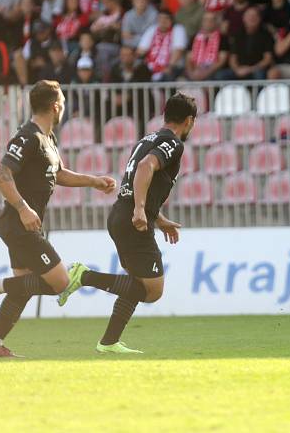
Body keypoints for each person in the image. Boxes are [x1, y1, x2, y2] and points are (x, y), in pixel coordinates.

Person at [0, 81, 116, 357]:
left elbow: (59, 173)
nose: (63, 106)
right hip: (19, 224)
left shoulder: (47, 139)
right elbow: (1, 175)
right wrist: (23, 208)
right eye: (62, 101)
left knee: (23, 288)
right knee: (60, 282)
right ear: (56, 106)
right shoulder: (27, 137)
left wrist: (93, 181)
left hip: (24, 224)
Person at [57, 93, 196, 354]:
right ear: (189, 120)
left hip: (122, 214)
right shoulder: (173, 144)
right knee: (152, 290)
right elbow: (145, 168)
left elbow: (138, 182)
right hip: (132, 218)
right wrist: (141, 210)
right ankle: (83, 276)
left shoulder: (146, 139)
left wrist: (159, 219)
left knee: (136, 284)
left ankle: (109, 342)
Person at [221, 6, 274, 80]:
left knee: (259, 75)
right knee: (221, 75)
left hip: (256, 69)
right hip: (239, 69)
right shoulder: (237, 35)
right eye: (249, 16)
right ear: (244, 18)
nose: (252, 18)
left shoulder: (266, 35)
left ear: (259, 19)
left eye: (254, 16)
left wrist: (250, 69)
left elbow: (267, 59)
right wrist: (237, 70)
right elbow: (233, 58)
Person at [136, 10, 188, 81]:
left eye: (166, 18)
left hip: (172, 66)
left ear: (171, 20)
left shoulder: (178, 29)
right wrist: (143, 60)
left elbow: (178, 51)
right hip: (151, 66)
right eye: (160, 18)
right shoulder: (152, 29)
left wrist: (169, 66)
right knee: (138, 73)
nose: (163, 21)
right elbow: (141, 50)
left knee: (168, 76)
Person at [187, 11, 228, 81]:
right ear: (202, 22)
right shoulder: (194, 37)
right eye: (206, 20)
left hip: (213, 71)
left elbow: (222, 60)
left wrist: (206, 73)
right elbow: (188, 59)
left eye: (211, 20)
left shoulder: (223, 38)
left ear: (216, 22)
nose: (208, 22)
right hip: (196, 70)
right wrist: (191, 73)